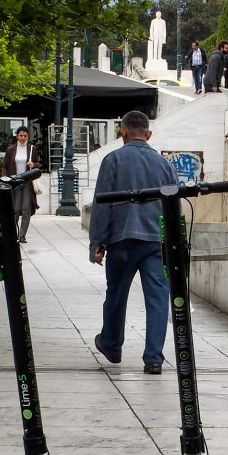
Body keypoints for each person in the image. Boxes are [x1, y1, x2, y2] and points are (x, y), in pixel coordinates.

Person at [88, 109, 176, 375]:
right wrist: (173, 241)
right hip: (156, 240)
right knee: (158, 298)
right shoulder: (164, 164)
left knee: (116, 294)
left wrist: (97, 242)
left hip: (122, 238)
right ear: (149, 134)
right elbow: (173, 205)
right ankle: (154, 358)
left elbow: (102, 202)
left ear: (122, 132)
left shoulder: (113, 159)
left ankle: (112, 345)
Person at [1, 126, 41, 242]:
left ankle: (22, 235)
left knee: (26, 209)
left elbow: (38, 163)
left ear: (28, 136)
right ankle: (12, 233)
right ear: (17, 136)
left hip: (27, 182)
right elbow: (5, 166)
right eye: (21, 135)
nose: (23, 138)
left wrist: (33, 164)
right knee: (16, 209)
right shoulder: (11, 149)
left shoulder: (32, 148)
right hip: (15, 182)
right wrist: (4, 177)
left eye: (25, 136)